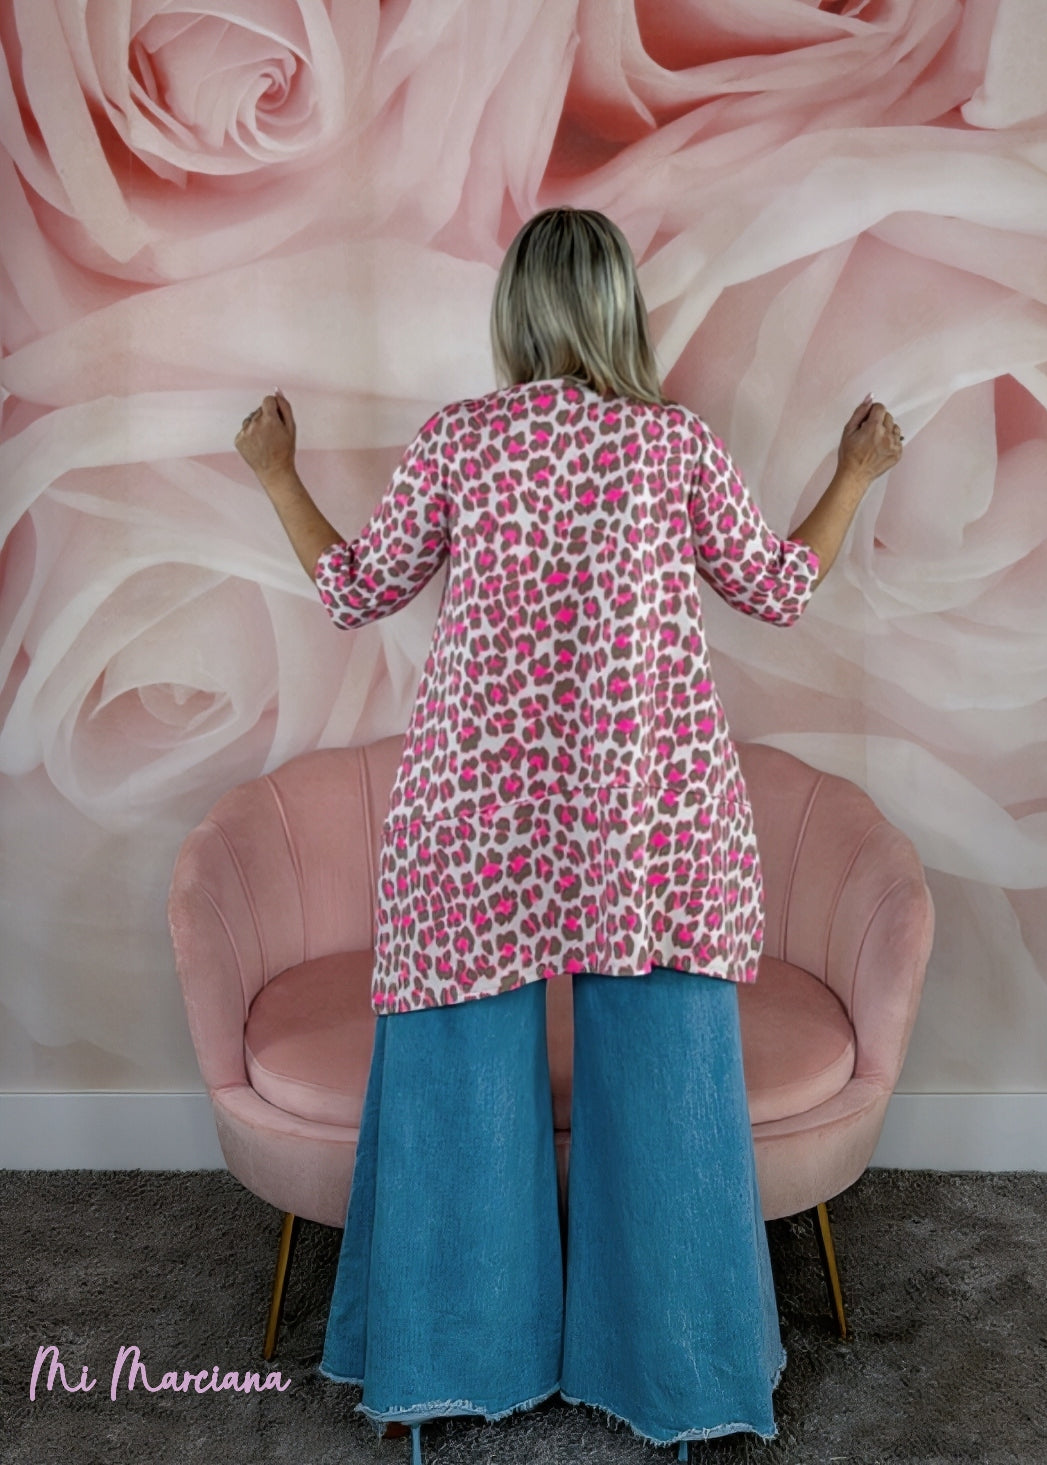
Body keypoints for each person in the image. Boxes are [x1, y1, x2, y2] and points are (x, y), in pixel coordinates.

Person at [234, 207, 903, 1464]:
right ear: (617, 312)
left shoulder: (461, 440)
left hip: (474, 821)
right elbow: (774, 590)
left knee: (456, 1093)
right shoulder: (672, 444)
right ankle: (676, 1376)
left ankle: (448, 1365)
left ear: (515, 311)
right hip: (648, 820)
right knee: (667, 1096)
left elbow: (356, 590)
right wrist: (856, 470)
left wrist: (276, 469)